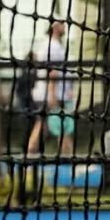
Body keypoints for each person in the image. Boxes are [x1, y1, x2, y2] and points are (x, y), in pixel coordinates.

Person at [27, 21, 74, 157]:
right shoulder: (52, 46)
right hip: (52, 95)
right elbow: (52, 72)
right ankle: (70, 161)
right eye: (62, 23)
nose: (64, 26)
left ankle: (29, 156)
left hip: (51, 94)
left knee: (44, 126)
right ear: (55, 27)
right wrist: (52, 95)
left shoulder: (50, 44)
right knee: (62, 127)